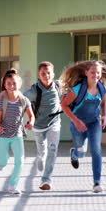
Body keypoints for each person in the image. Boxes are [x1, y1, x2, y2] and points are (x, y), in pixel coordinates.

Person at [60, 60, 106, 193]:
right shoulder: (78, 90)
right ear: (86, 73)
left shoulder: (101, 88)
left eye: (98, 72)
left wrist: (105, 116)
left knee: (96, 149)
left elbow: (104, 102)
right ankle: (75, 154)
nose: (95, 75)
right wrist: (76, 121)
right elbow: (64, 105)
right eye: (92, 72)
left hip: (94, 123)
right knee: (81, 152)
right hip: (78, 123)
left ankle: (97, 182)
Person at [0, 69, 34, 195]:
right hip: (2, 135)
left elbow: (31, 116)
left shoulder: (24, 100)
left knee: (20, 161)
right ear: (5, 85)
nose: (11, 86)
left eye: (14, 83)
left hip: (17, 135)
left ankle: (12, 185)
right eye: (9, 83)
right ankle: (3, 159)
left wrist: (31, 123)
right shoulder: (2, 100)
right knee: (2, 162)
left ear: (19, 84)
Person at [24, 61, 62, 190]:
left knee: (52, 150)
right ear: (39, 75)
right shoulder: (34, 90)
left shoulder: (58, 86)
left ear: (53, 74)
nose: (46, 76)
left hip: (54, 123)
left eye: (49, 73)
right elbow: (22, 101)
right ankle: (40, 157)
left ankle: (46, 180)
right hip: (39, 125)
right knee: (42, 151)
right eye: (43, 74)